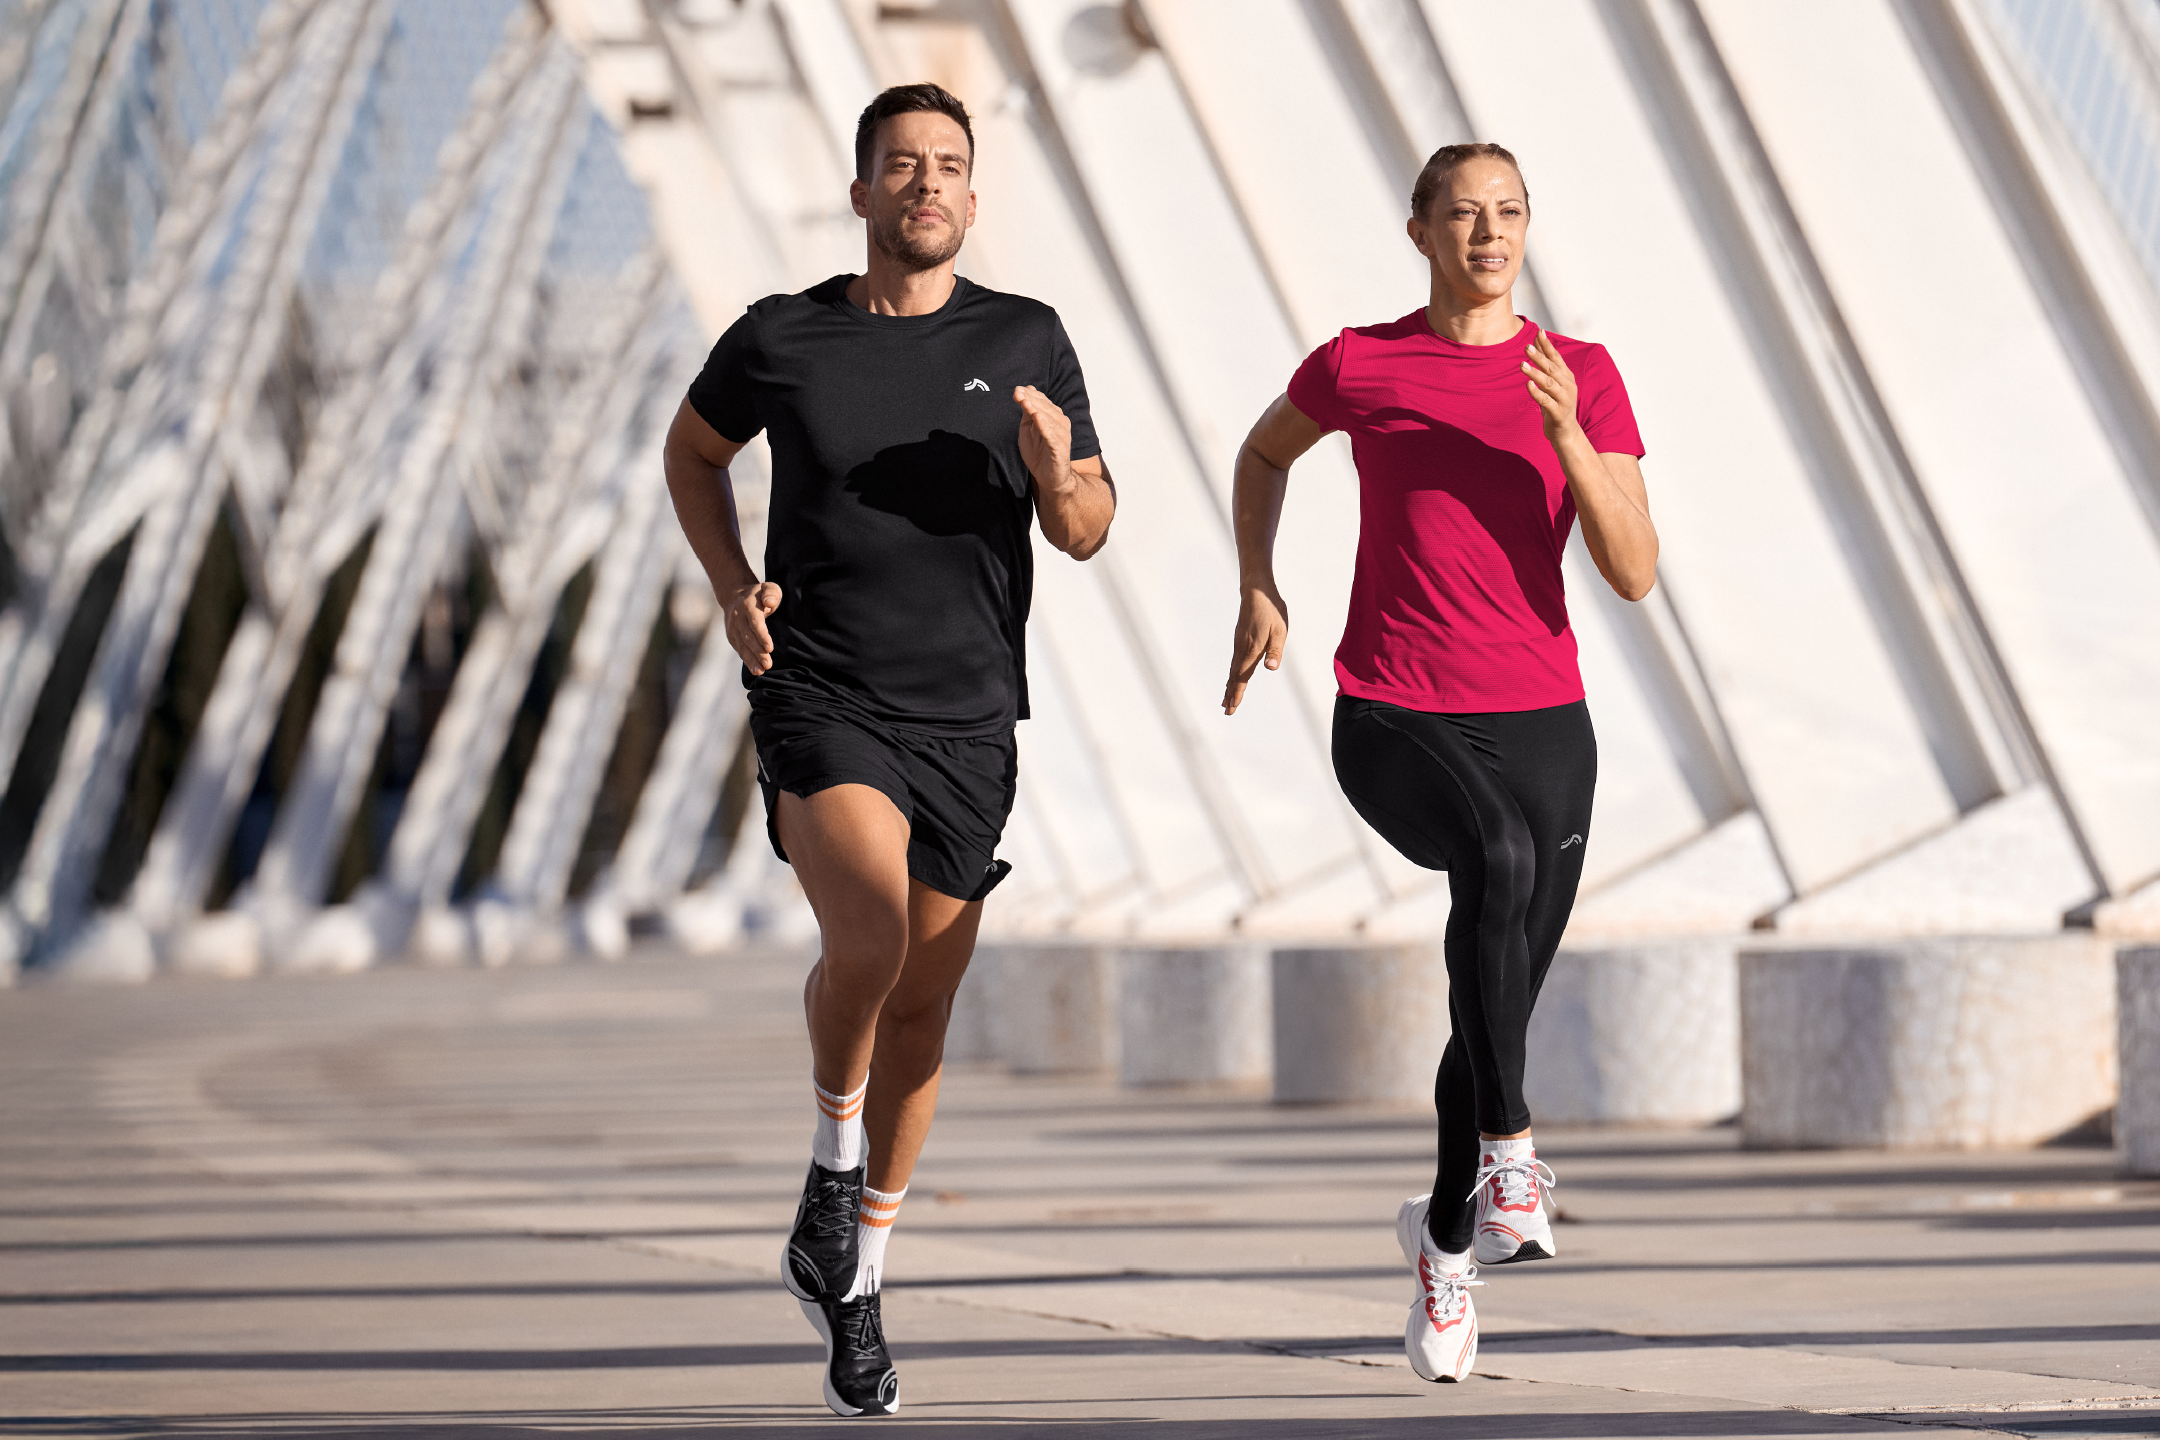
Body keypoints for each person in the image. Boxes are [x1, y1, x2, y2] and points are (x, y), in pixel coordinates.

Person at [662, 82, 1115, 1418]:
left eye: (949, 166)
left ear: (973, 201)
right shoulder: (782, 338)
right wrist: (730, 578)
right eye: (901, 165)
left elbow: (1089, 529)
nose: (926, 183)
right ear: (859, 195)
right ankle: (827, 1166)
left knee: (921, 1011)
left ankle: (854, 1277)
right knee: (870, 940)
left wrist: (1054, 468)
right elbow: (693, 456)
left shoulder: (1027, 337)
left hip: (971, 720)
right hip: (821, 695)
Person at [1221, 142, 1657, 1384]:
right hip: (1394, 709)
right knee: (1495, 862)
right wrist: (1260, 583)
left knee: (1497, 992)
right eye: (1462, 213)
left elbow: (1631, 567)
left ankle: (1447, 1242)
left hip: (1544, 720)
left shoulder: (1583, 376)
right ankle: (1514, 1155)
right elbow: (1263, 455)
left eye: (1509, 212)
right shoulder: (1363, 362)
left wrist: (1570, 437)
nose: (1488, 233)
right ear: (1418, 230)